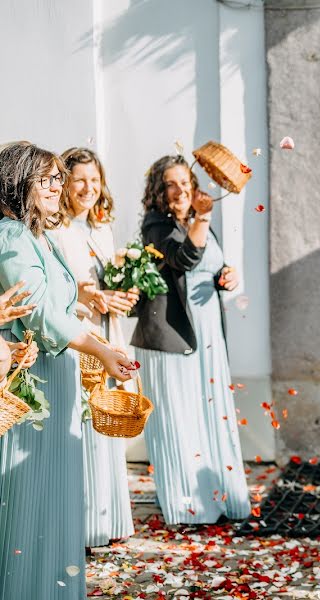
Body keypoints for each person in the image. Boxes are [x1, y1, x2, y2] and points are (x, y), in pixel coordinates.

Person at [0, 142, 136, 600]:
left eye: (59, 177)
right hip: (32, 378)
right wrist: (98, 348)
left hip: (57, 374)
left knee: (55, 490)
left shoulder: (36, 234)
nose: (58, 186)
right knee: (33, 493)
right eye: (48, 179)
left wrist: (88, 311)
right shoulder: (11, 235)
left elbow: (58, 301)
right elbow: (39, 312)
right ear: (19, 183)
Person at [131, 155, 249, 525]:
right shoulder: (155, 225)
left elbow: (207, 268)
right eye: (171, 184)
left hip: (208, 330)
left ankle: (221, 495)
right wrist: (203, 216)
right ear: (159, 191)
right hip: (172, 334)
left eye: (186, 182)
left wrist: (226, 276)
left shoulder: (195, 221)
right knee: (179, 415)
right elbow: (183, 260)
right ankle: (189, 505)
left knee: (208, 410)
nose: (181, 190)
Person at [53, 147, 137, 548]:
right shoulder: (56, 229)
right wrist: (89, 297)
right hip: (78, 340)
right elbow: (60, 293)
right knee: (83, 422)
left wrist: (121, 295)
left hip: (108, 334)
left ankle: (109, 518)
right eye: (80, 179)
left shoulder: (102, 228)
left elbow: (106, 285)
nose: (89, 188)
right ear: (65, 183)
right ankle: (84, 526)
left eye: (95, 179)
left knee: (106, 422)